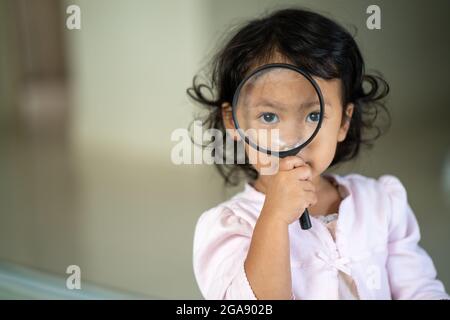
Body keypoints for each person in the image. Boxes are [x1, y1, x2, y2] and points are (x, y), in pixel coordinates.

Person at [188, 8, 449, 300]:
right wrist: (273, 219)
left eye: (313, 115)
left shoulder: (381, 203)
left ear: (344, 123)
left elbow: (419, 289)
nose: (292, 139)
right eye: (270, 117)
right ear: (233, 122)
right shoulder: (229, 226)